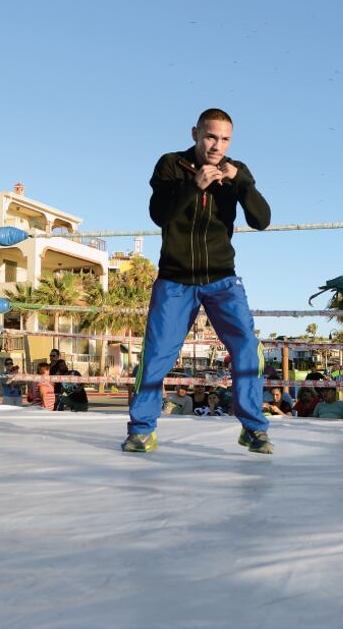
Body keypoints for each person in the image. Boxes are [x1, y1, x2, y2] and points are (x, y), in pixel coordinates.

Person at [123, 108, 273, 454]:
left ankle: (253, 429)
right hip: (175, 280)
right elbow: (159, 214)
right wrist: (194, 186)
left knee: (248, 349)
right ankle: (142, 430)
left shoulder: (237, 171)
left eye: (224, 139)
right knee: (158, 354)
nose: (216, 145)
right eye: (210, 136)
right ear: (195, 133)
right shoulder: (171, 165)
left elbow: (262, 219)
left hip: (222, 280)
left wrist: (242, 183)